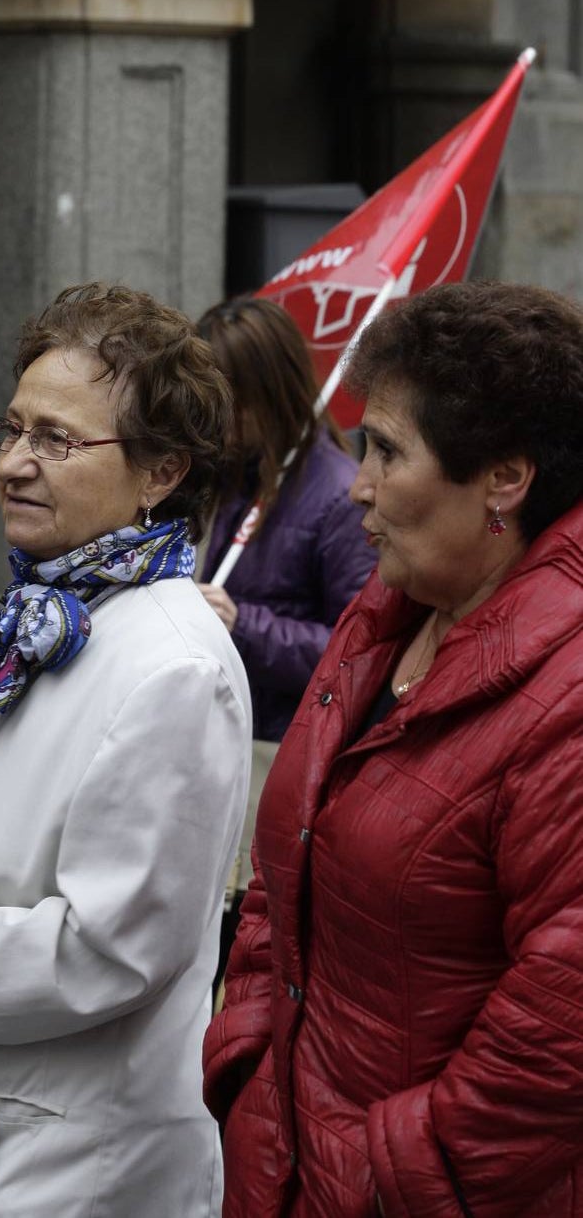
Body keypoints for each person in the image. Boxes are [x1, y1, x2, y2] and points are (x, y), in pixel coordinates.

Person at [0, 281, 253, 1218]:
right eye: (13, 430)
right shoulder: (40, 623)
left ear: (161, 474)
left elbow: (118, 945)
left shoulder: (175, 666)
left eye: (58, 440)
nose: (17, 464)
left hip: (79, 1157)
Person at [202, 279, 583, 1218]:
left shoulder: (566, 693)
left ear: (505, 478)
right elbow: (283, 871)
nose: (359, 484)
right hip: (289, 1164)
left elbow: (561, 1017)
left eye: (385, 451)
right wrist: (248, 1055)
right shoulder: (382, 619)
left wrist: (392, 1169)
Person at [195, 295, 375, 928]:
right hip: (204, 745)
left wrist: (243, 623)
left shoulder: (336, 495)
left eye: (231, 401)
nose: (217, 420)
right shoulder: (218, 475)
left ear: (270, 392)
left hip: (274, 757)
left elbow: (359, 649)